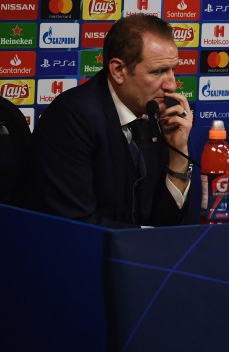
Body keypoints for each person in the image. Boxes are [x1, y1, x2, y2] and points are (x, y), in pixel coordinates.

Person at [30, 14, 194, 227]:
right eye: (158, 72)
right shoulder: (71, 118)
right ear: (118, 70)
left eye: (173, 70)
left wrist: (178, 154)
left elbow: (168, 224)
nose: (171, 85)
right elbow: (75, 224)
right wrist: (150, 239)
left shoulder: (157, 115)